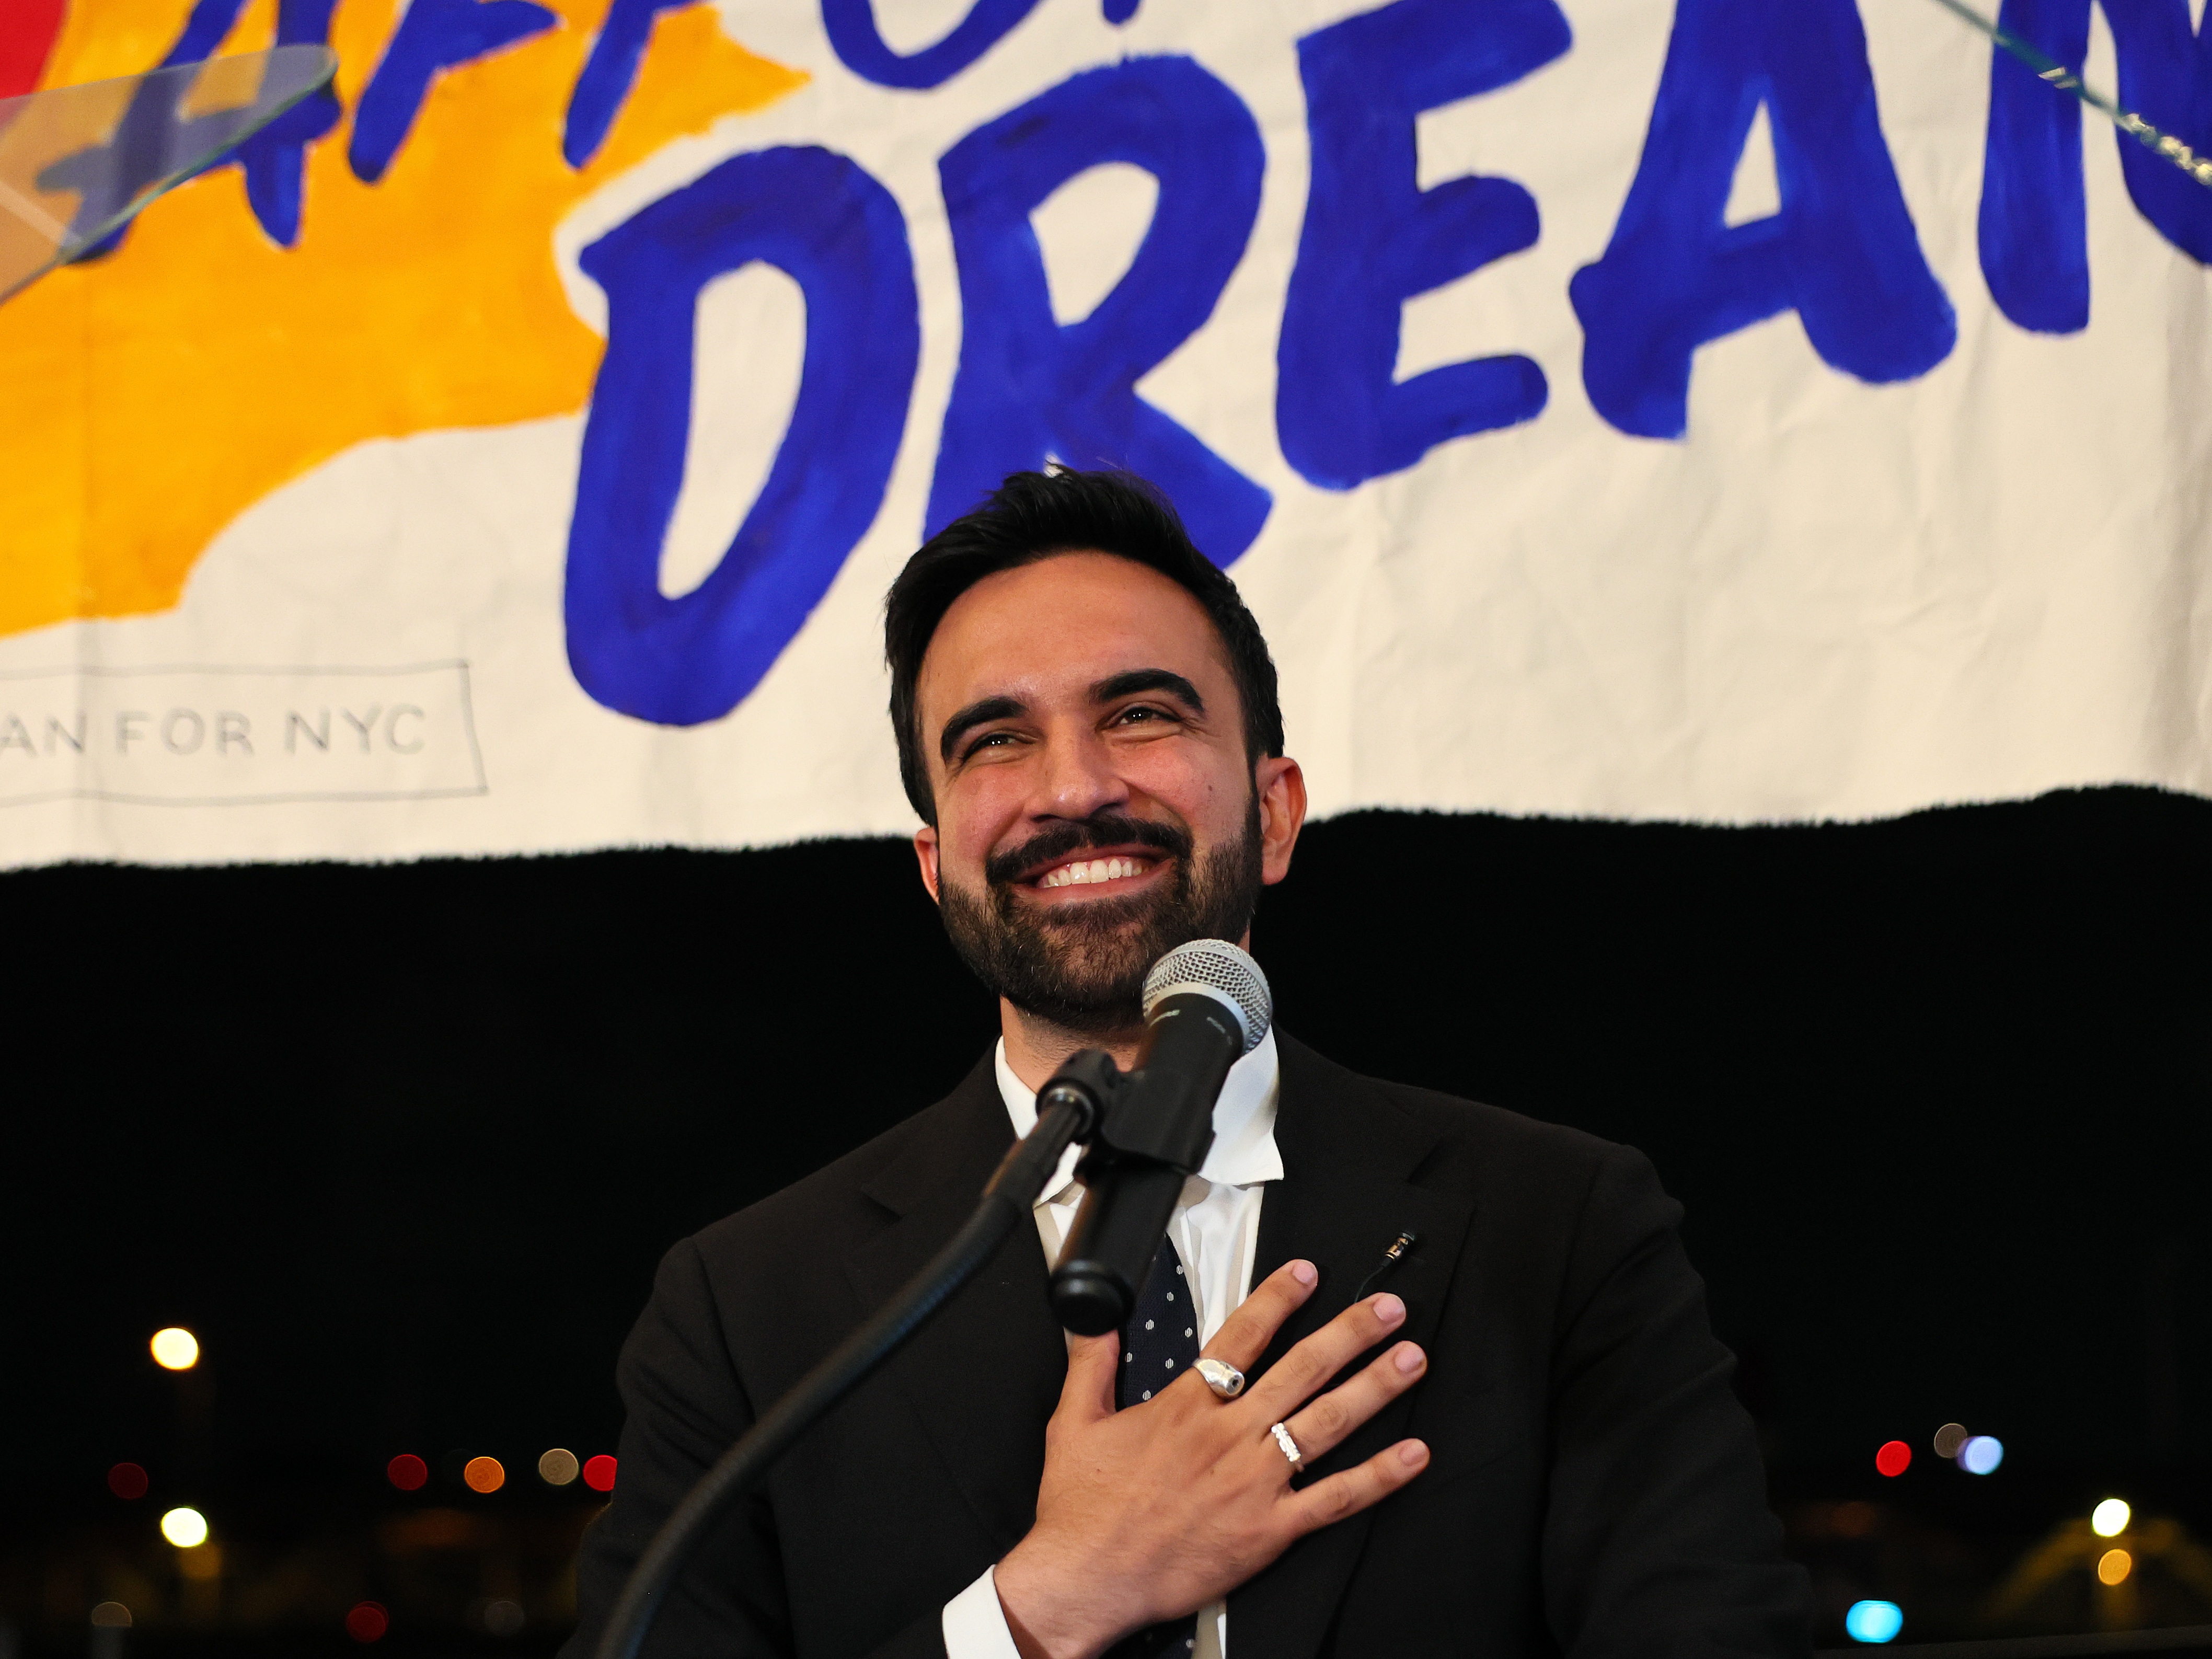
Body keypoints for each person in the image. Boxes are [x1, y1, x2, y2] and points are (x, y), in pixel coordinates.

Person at [566, 470, 1812, 1659]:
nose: (1074, 787)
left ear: (1272, 813)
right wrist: (1048, 1603)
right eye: (995, 740)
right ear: (934, 863)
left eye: (1141, 714)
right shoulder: (744, 1309)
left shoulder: (1560, 1227)